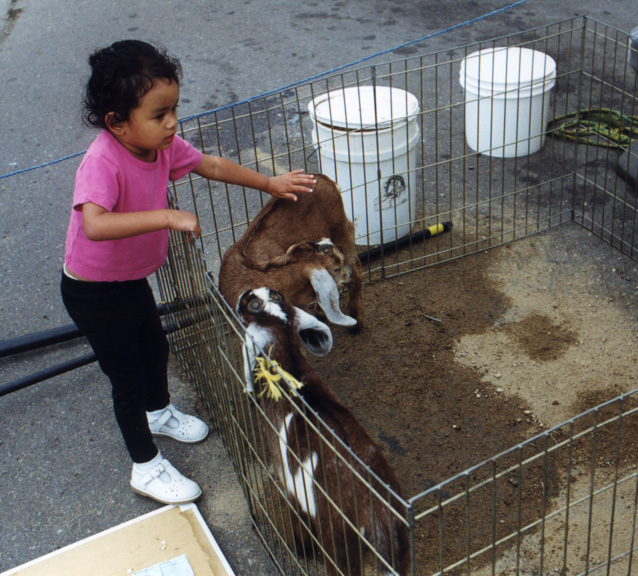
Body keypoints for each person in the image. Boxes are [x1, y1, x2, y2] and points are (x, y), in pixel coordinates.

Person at [60, 39, 315, 505]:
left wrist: (269, 182)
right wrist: (166, 216)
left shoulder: (161, 147)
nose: (172, 123)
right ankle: (145, 465)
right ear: (116, 123)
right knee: (127, 377)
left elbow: (210, 164)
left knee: (155, 348)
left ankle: (159, 413)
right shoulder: (102, 161)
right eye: (159, 115)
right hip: (93, 292)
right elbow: (94, 224)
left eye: (174, 109)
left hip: (130, 279)